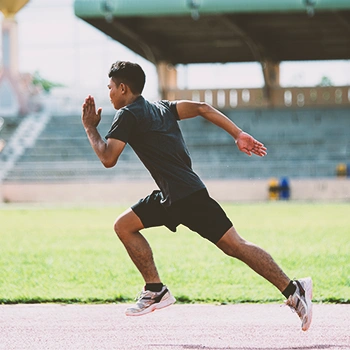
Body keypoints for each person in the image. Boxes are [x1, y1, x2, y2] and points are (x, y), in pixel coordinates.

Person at [81, 61, 313, 331]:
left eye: (110, 88)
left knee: (235, 246)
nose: (108, 93)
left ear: (123, 88)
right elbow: (203, 108)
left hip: (186, 197)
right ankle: (155, 289)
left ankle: (293, 289)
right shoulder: (162, 107)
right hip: (174, 195)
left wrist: (90, 127)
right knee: (124, 226)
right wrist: (237, 133)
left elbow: (109, 158)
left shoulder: (128, 115)